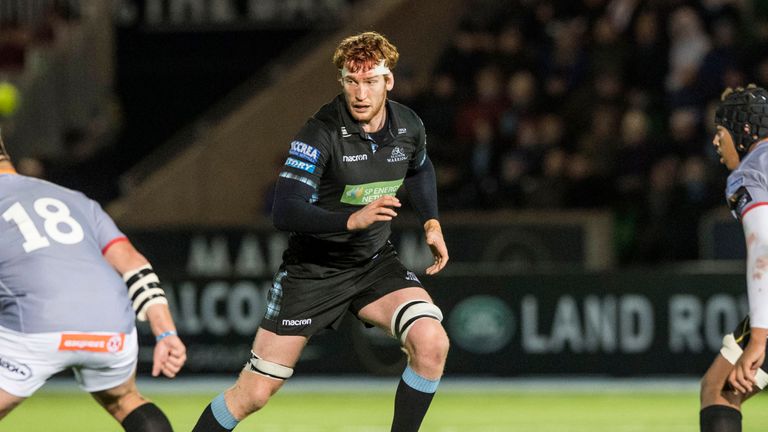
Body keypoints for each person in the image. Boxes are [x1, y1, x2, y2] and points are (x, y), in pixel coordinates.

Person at [192, 31, 450, 432]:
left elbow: (419, 168)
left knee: (432, 342)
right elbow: (285, 209)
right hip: (313, 271)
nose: (360, 93)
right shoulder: (321, 132)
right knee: (253, 394)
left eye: (369, 81)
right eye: (351, 81)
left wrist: (431, 221)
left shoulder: (409, 125)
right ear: (341, 81)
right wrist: (352, 219)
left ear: (388, 81)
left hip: (373, 264)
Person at [0, 134, 187, 431]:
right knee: (124, 400)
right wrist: (165, 332)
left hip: (37, 325)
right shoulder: (76, 199)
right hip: (110, 328)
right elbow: (133, 263)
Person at [700, 84, 768, 432]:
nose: (716, 142)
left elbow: (763, 247)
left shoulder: (750, 172)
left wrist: (759, 337)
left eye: (720, 132)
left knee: (720, 391)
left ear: (744, 132)